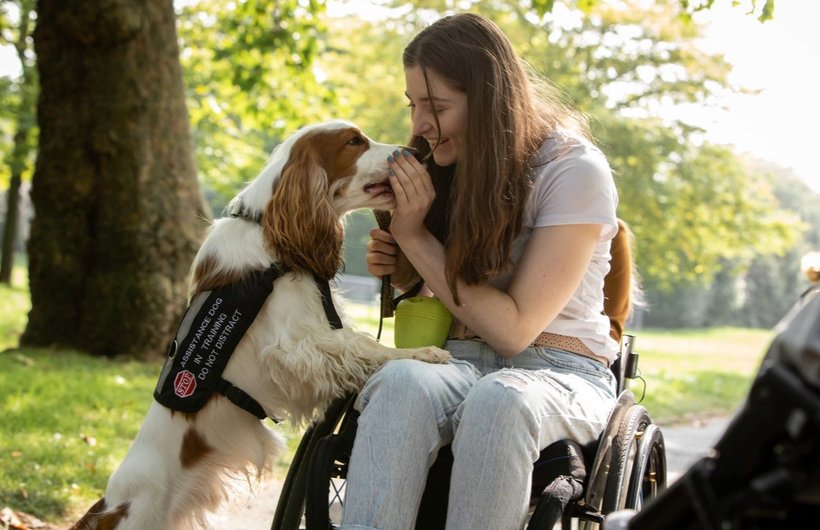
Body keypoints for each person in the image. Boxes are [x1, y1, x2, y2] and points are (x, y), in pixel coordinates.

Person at [341, 12, 621, 530]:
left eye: (437, 106)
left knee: (502, 397)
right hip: (456, 357)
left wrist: (415, 237)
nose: (419, 124)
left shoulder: (574, 170)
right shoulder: (449, 166)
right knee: (400, 379)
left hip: (558, 371)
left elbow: (513, 331)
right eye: (414, 105)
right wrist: (406, 267)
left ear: (489, 102)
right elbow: (451, 289)